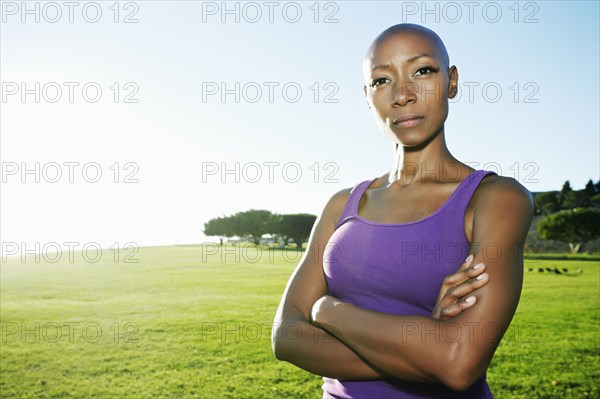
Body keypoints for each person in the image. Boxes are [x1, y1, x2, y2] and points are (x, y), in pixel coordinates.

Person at [271, 23, 533, 398]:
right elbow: (285, 336)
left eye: (423, 71)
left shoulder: (496, 199)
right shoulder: (340, 205)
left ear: (452, 81)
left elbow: (458, 364)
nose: (403, 94)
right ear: (367, 97)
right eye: (381, 81)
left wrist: (329, 311)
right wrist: (423, 349)